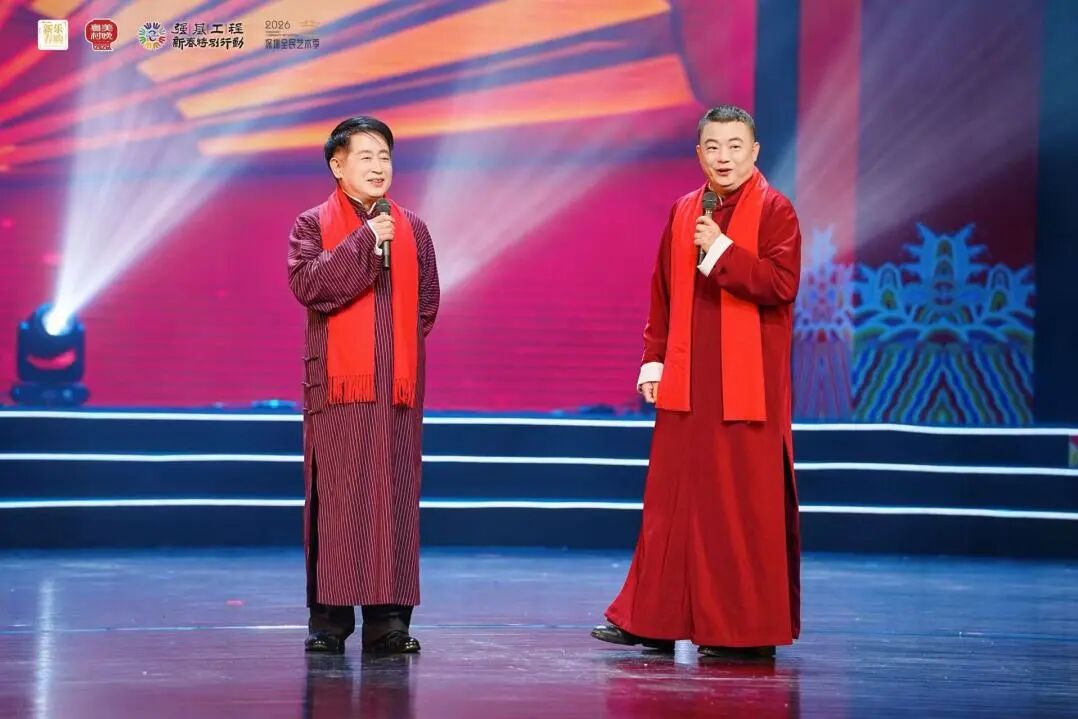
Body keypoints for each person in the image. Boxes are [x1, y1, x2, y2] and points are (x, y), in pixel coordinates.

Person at [592, 105, 802, 659]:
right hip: (688, 377)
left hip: (746, 384)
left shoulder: (776, 210)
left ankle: (743, 633)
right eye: (713, 147)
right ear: (699, 154)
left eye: (735, 146)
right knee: (672, 502)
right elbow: (662, 291)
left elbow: (781, 284)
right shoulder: (685, 209)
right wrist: (654, 360)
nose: (723, 157)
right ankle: (652, 619)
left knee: (738, 507)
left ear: (755, 152)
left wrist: (722, 251)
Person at [287, 116, 440, 654]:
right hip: (338, 388)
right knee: (338, 500)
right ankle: (329, 623)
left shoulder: (413, 227)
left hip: (396, 389)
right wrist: (365, 240)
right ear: (337, 164)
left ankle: (388, 622)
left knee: (393, 499)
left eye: (385, 157)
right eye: (366, 156)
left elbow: (427, 304)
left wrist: (392, 352)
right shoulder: (311, 224)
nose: (379, 167)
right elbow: (310, 285)